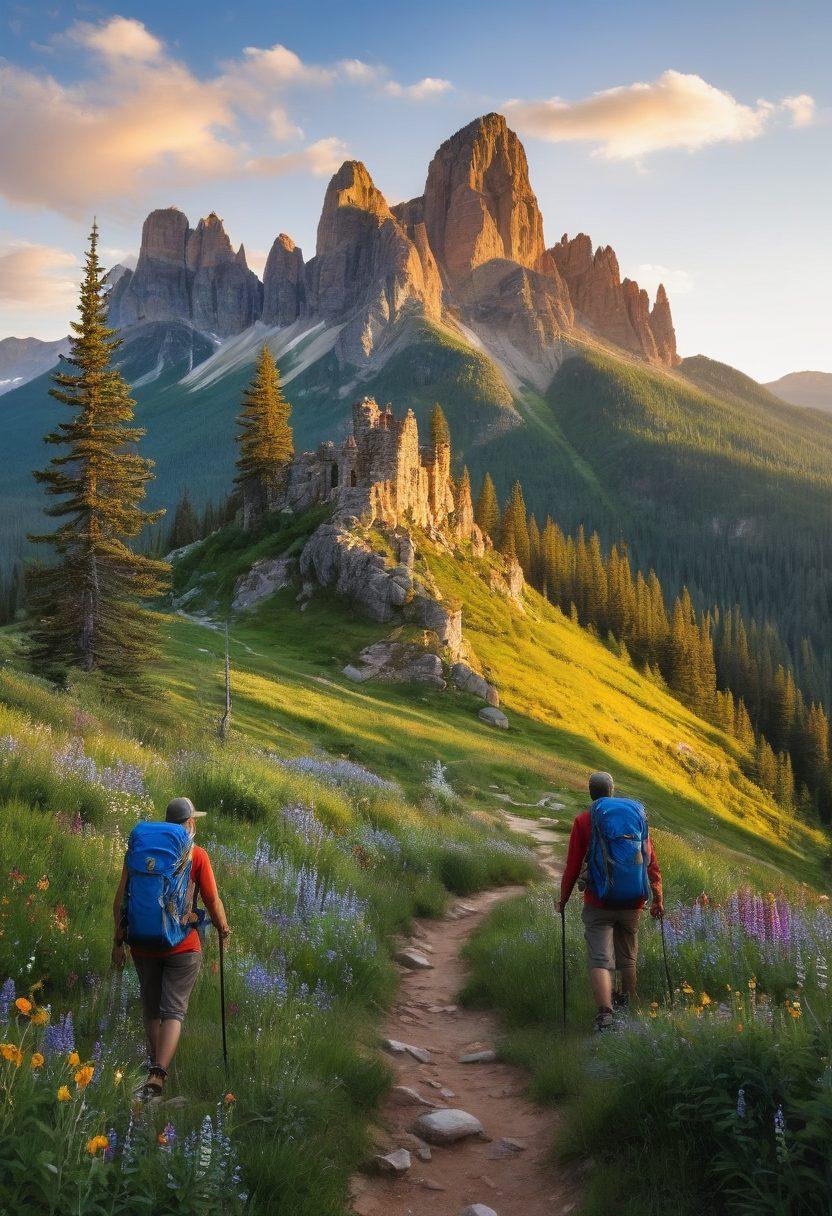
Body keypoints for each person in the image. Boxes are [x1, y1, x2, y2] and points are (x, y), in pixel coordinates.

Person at [112, 796, 230, 1099]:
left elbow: (120, 901)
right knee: (173, 1011)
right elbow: (212, 901)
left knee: (152, 1010)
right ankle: (159, 1074)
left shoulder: (137, 855)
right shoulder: (197, 855)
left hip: (142, 944)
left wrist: (118, 943)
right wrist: (223, 929)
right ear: (189, 823)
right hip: (183, 947)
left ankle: (154, 1069)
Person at [556, 771, 663, 1031]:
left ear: (590, 793)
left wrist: (563, 899)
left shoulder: (584, 821)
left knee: (600, 958)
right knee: (627, 957)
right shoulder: (635, 818)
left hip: (598, 902)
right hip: (632, 901)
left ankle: (605, 1015)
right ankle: (627, 1004)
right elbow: (650, 861)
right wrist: (658, 899)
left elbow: (572, 866)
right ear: (612, 790)